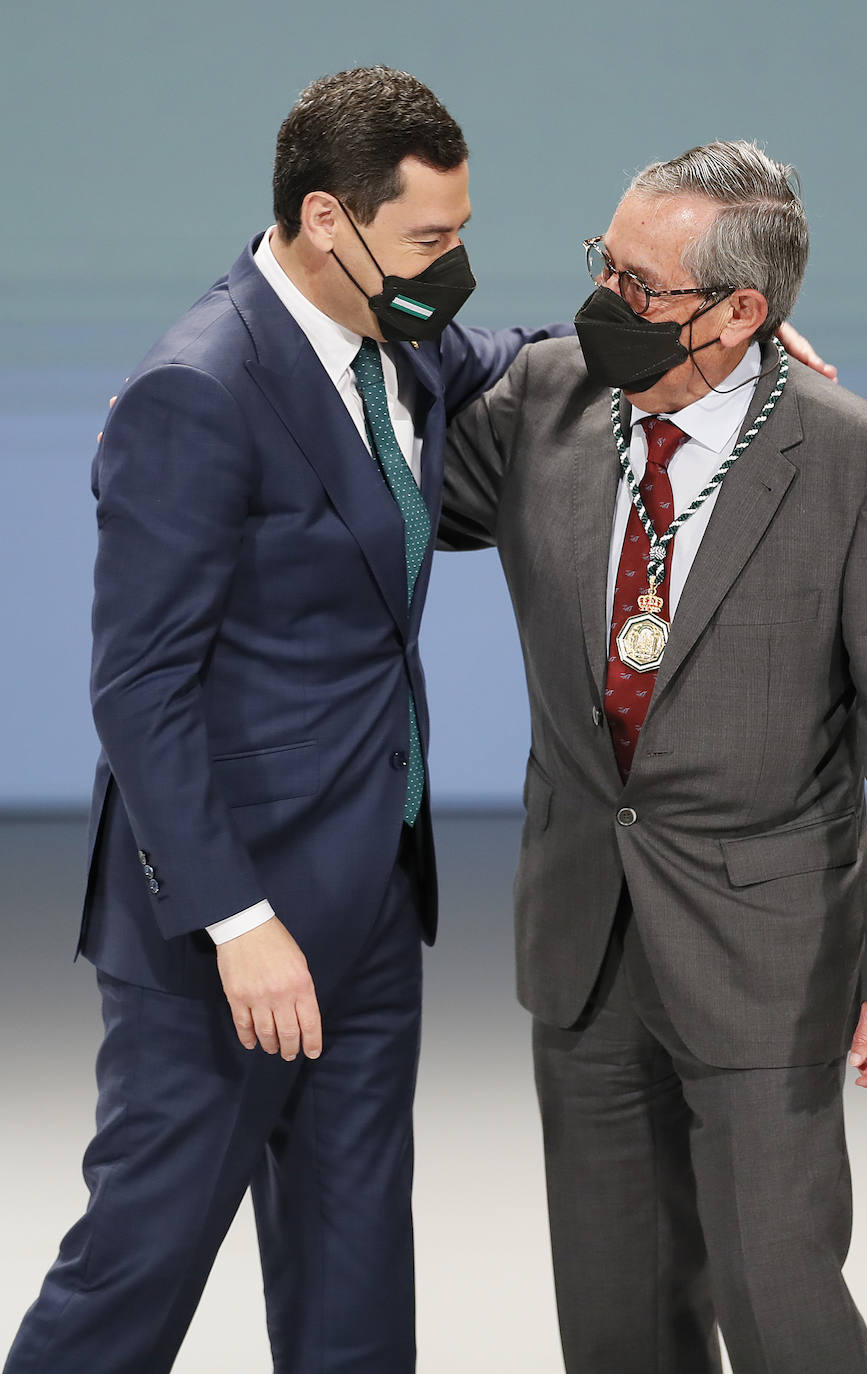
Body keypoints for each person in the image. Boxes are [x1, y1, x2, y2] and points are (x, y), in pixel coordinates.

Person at [2, 65, 570, 1374]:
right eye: (432, 237)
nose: (456, 262)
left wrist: (700, 338)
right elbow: (136, 684)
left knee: (354, 1270)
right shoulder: (197, 387)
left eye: (463, 230)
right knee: (136, 1268)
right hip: (231, 931)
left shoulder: (402, 339)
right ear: (329, 219)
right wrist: (237, 921)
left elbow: (526, 355)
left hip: (370, 895)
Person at [442, 141, 867, 1373]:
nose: (603, 308)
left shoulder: (866, 471)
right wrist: (208, 411)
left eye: (643, 288)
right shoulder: (545, 403)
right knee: (615, 1318)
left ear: (745, 311)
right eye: (604, 268)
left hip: (766, 955)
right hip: (583, 935)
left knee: (780, 1304)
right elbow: (374, 455)